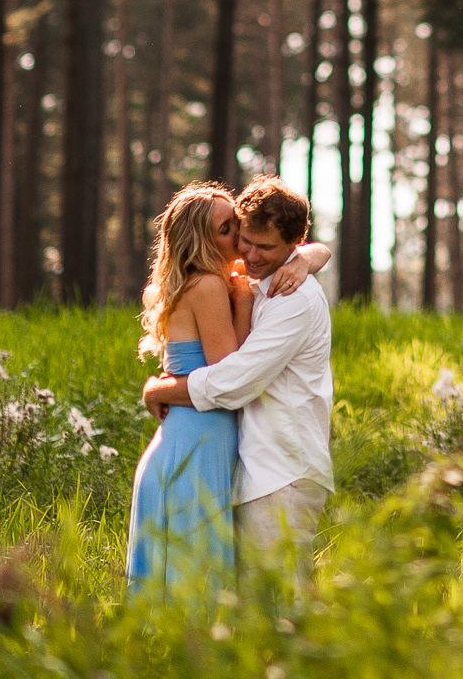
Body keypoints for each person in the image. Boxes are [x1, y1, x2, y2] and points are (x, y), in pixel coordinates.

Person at [125, 182, 329, 591]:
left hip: (280, 470)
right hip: (215, 451)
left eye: (264, 247)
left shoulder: (287, 296)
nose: (248, 250)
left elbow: (232, 381)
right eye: (238, 234)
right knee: (218, 599)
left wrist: (161, 390)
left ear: (293, 244)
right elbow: (227, 369)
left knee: (271, 607)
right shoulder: (233, 284)